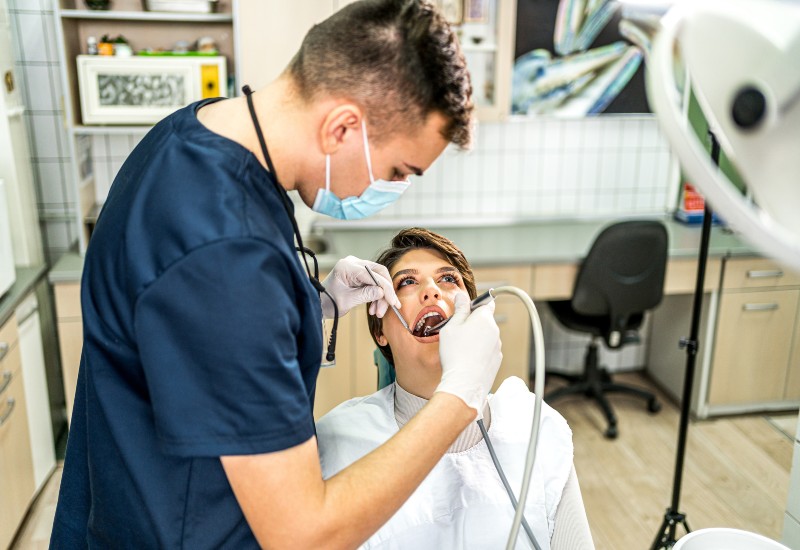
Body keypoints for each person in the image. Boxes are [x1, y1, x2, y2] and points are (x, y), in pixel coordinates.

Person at [50, 2, 504, 548]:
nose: (390, 191)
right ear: (342, 127)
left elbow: (196, 333)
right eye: (396, 171)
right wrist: (460, 396)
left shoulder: (193, 134)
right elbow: (304, 534)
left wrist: (312, 304)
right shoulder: (226, 254)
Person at [316, 228, 595, 549]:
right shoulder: (339, 441)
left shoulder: (533, 424)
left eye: (448, 279)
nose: (432, 291)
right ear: (380, 331)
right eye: (407, 282)